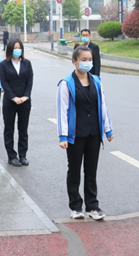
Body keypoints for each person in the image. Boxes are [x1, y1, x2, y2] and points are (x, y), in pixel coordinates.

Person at [56, 44, 114, 220]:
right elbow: (62, 111)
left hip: (94, 134)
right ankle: (75, 207)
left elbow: (103, 106)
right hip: (76, 135)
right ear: (74, 61)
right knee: (74, 171)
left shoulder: (96, 81)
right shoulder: (66, 83)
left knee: (91, 171)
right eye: (83, 60)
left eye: (90, 60)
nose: (87, 62)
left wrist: (108, 130)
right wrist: (63, 136)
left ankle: (92, 206)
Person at [0, 39, 33, 167]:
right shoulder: (3, 64)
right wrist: (13, 97)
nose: (17, 50)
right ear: (10, 49)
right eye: (15, 48)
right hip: (10, 102)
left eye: (19, 48)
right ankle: (12, 156)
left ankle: (23, 155)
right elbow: (4, 83)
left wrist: (26, 96)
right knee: (9, 129)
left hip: (25, 102)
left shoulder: (27, 63)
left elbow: (30, 81)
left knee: (23, 129)